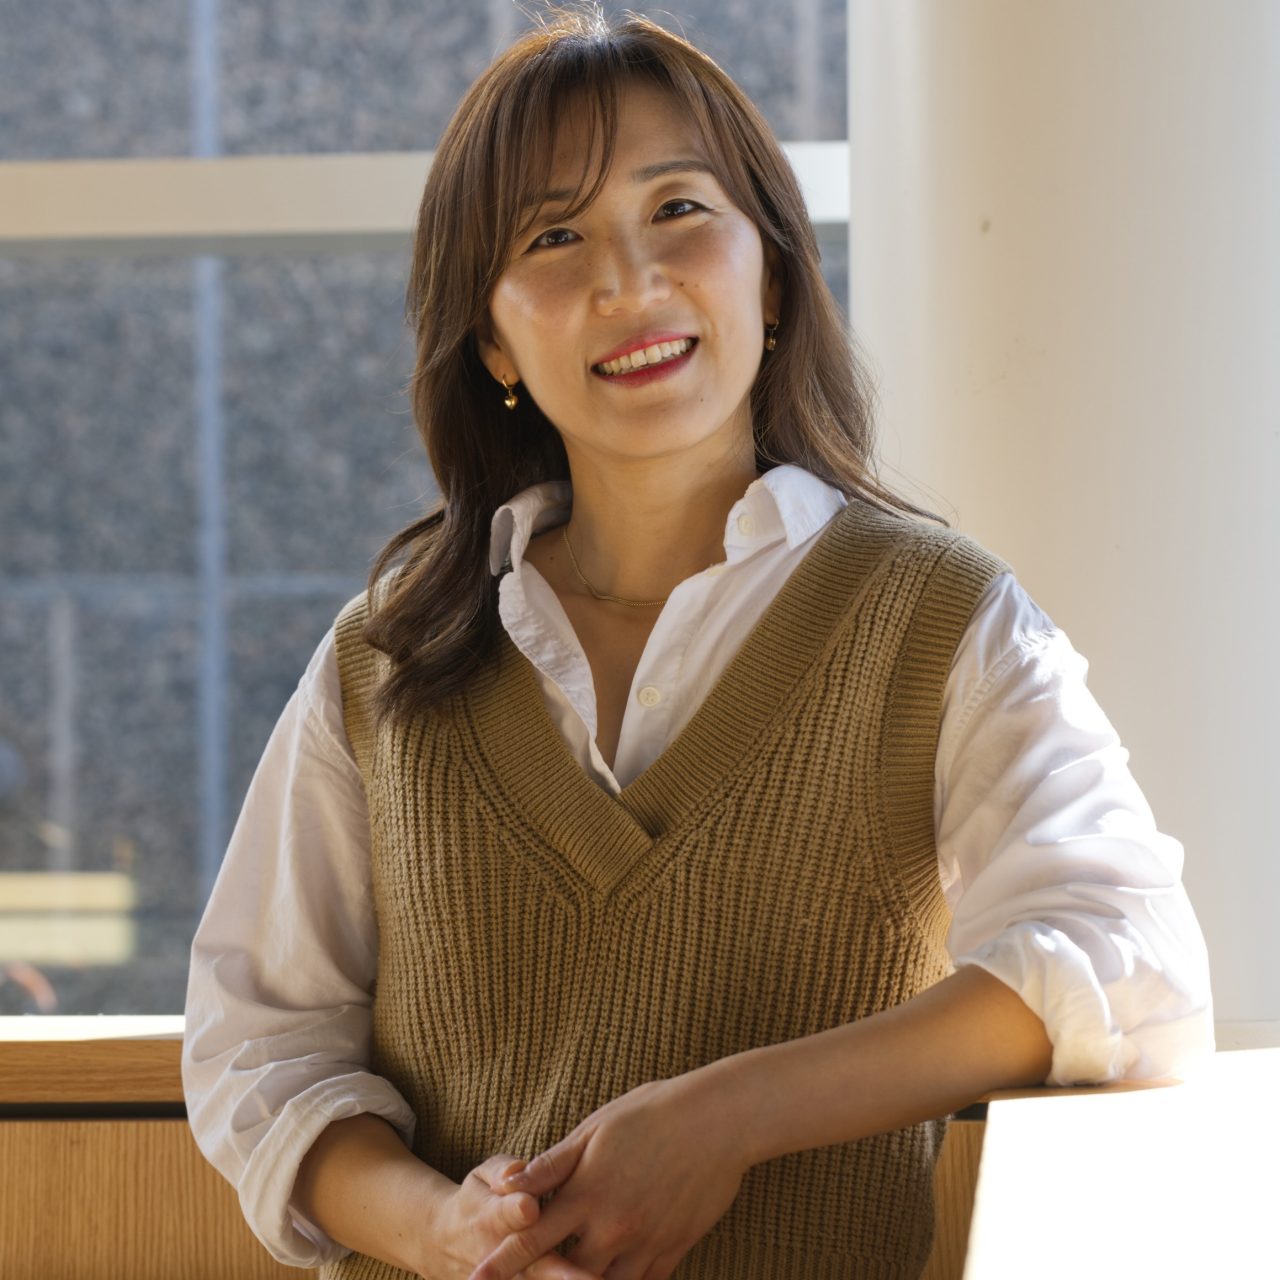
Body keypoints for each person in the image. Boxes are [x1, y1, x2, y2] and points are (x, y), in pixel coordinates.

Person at [181, 8, 1214, 1280]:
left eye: (678, 210)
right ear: (493, 338)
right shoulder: (384, 661)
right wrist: (447, 1231)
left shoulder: (940, 620)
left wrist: (727, 1115)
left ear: (769, 272)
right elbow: (258, 1042)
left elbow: (1131, 957)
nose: (629, 281)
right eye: (553, 238)